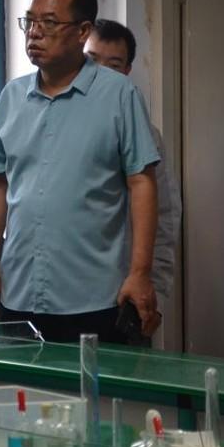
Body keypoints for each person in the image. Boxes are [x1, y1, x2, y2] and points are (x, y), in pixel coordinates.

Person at [0, 0, 161, 342]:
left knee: (96, 382)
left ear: (82, 31)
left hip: (96, 297)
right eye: (30, 21)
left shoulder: (119, 95)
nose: (34, 33)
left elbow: (141, 182)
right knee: (19, 381)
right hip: (18, 292)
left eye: (49, 23)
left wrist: (140, 273)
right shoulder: (12, 97)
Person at [84, 19, 180, 324]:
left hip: (118, 296)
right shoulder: (45, 119)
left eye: (113, 65)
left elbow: (164, 217)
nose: (101, 73)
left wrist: (155, 291)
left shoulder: (144, 135)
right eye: (91, 60)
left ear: (126, 71)